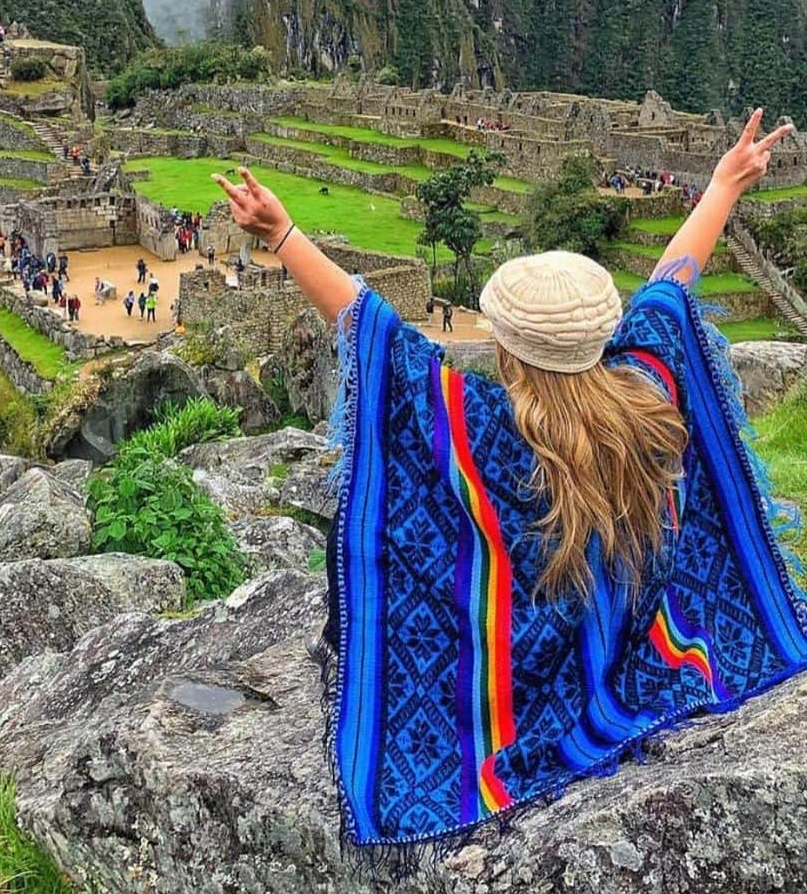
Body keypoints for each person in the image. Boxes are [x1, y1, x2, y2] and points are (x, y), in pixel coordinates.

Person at [211, 109, 807, 855]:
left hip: (517, 675)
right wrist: (723, 184)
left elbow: (371, 329)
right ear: (599, 334)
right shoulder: (646, 387)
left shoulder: (482, 427)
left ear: (508, 347)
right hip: (625, 634)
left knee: (394, 537)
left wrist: (283, 234)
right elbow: (670, 282)